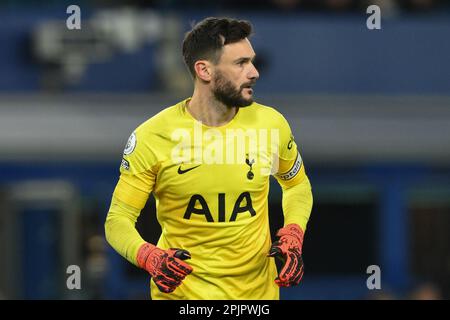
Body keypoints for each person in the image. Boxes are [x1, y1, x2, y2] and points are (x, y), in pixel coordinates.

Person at [104, 17, 313, 300]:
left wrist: (294, 232)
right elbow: (118, 220)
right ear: (204, 70)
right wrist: (148, 256)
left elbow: (296, 185)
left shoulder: (271, 125)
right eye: (240, 63)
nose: (254, 73)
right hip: (184, 298)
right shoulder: (153, 137)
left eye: (252, 62)